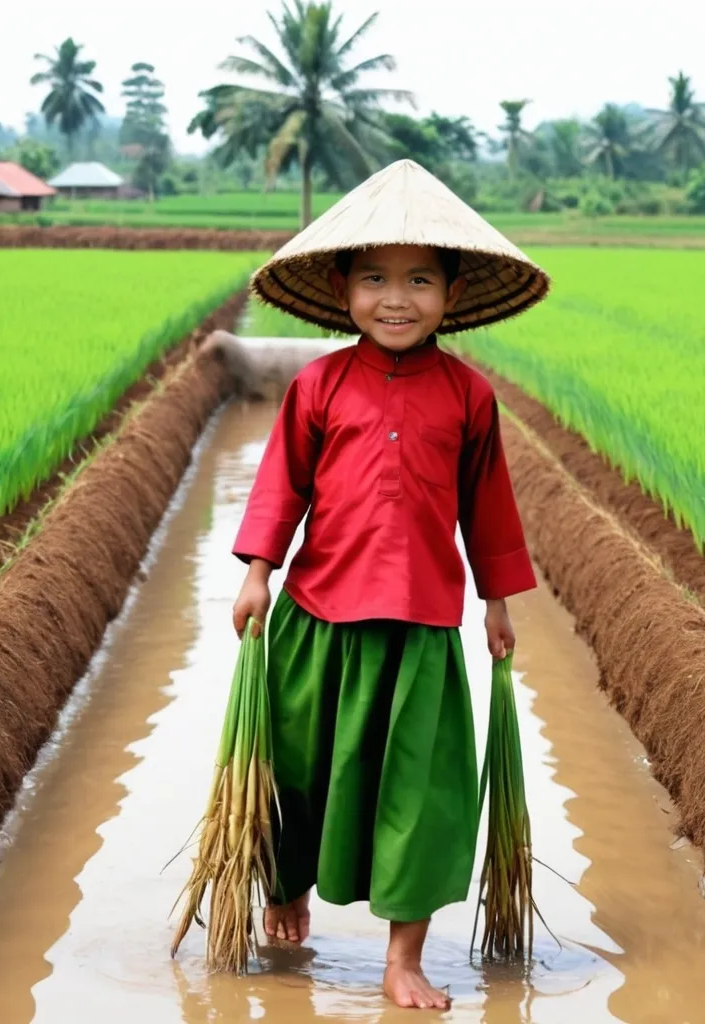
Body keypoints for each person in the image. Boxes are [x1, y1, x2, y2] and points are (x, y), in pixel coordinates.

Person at [230, 160, 550, 1011]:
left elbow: (489, 510)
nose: (395, 299)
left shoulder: (469, 398)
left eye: (418, 280)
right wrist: (258, 576)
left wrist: (498, 603)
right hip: (316, 618)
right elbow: (281, 487)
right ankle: (286, 891)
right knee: (294, 772)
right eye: (375, 279)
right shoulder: (319, 385)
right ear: (342, 289)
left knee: (422, 793)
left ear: (452, 291)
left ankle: (401, 960)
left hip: (420, 631)